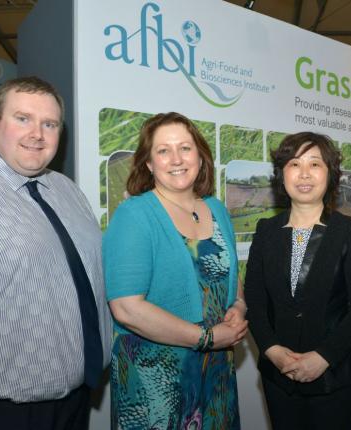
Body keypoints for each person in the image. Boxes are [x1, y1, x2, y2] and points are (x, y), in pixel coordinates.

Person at [0, 76, 111, 430]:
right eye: (22, 118)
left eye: (49, 123)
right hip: (1, 411)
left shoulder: (67, 191)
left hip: (76, 399)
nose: (37, 133)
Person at [103, 112, 247, 429]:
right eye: (163, 150)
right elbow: (127, 308)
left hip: (216, 371)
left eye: (185, 147)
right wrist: (207, 338)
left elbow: (231, 278)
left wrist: (238, 305)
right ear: (149, 164)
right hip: (156, 380)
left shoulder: (217, 209)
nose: (176, 159)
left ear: (200, 156)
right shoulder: (134, 215)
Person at [244, 132, 351, 430]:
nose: (304, 174)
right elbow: (254, 298)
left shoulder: (349, 231)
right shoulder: (266, 230)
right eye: (294, 164)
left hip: (334, 377)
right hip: (278, 378)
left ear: (330, 174)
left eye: (315, 164)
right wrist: (271, 350)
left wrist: (323, 356)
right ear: (282, 175)